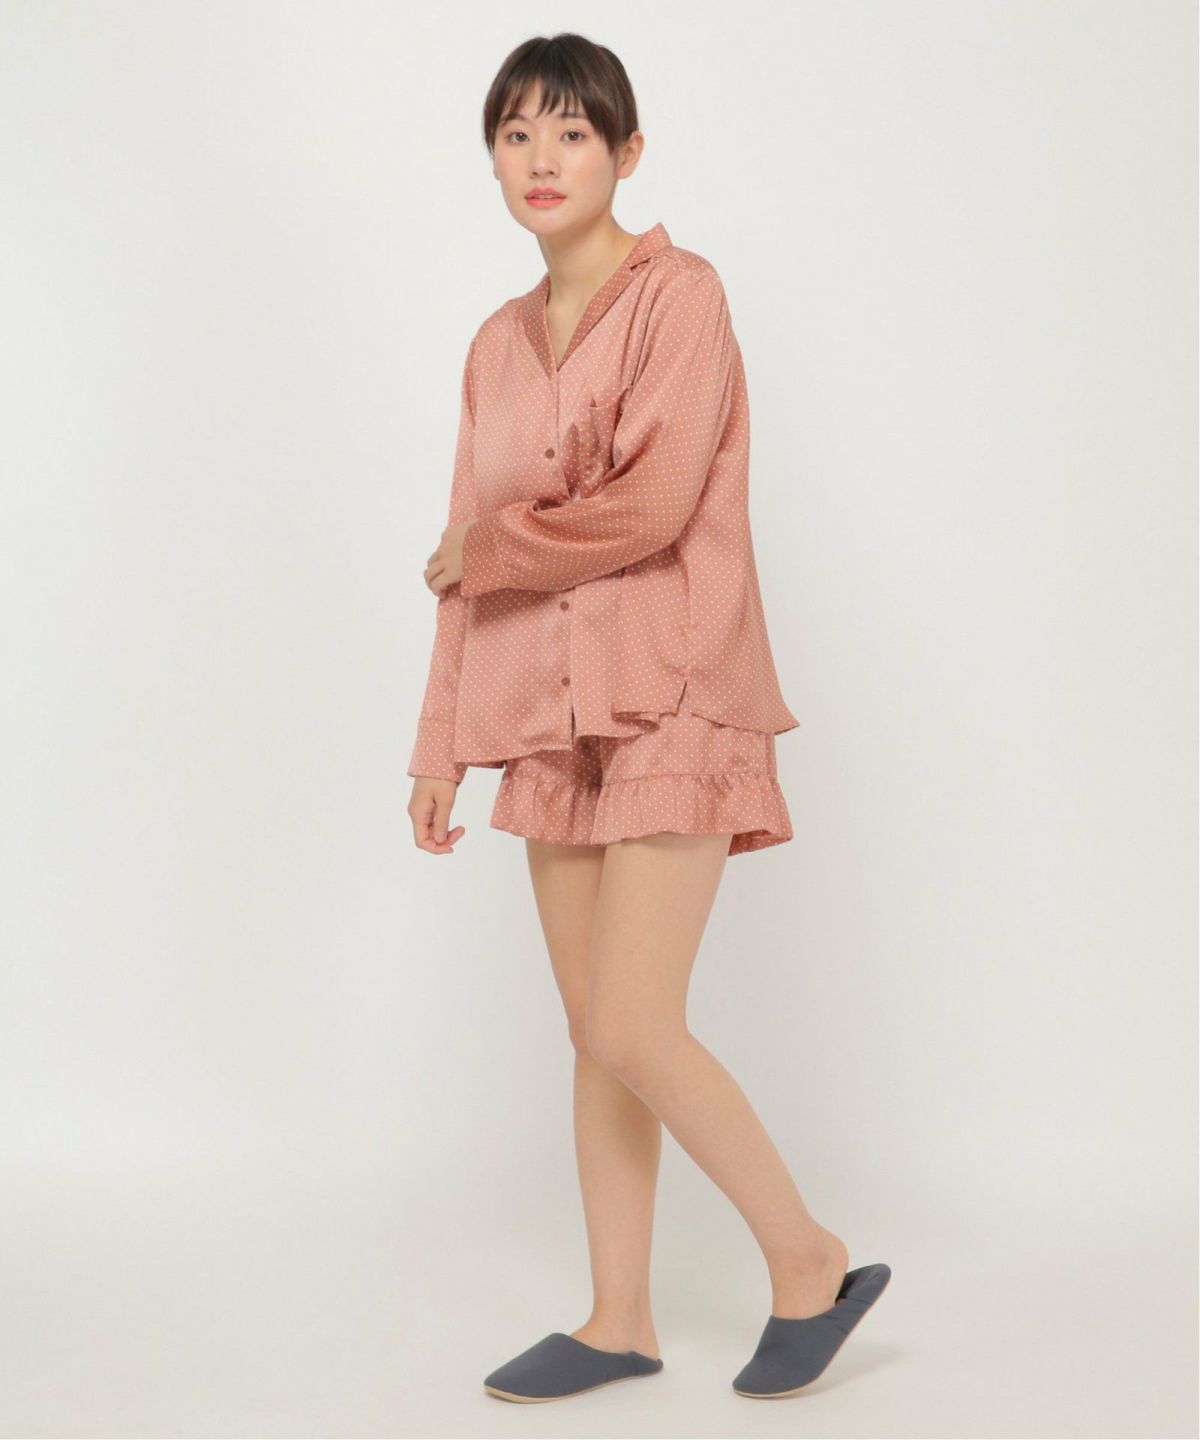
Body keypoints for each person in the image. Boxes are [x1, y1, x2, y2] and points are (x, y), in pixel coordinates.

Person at [406, 32, 891, 1403]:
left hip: (674, 692)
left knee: (631, 1019)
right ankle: (619, 1318)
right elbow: (458, 557)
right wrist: (439, 748)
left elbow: (653, 508)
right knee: (594, 1034)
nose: (540, 158)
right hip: (547, 721)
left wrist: (492, 546)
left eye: (571, 131)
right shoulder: (493, 347)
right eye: (515, 133)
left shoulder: (683, 296)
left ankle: (808, 1259)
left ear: (626, 151)